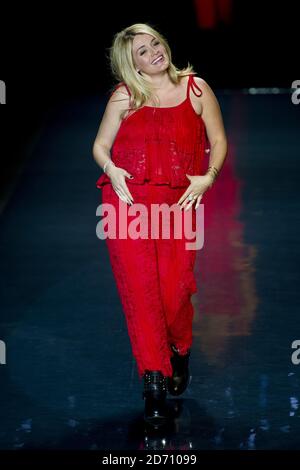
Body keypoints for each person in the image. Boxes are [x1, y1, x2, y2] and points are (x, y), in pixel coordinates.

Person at [93, 23, 227, 427]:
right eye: (141, 51)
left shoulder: (196, 89)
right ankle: (153, 384)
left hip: (177, 206)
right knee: (140, 293)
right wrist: (111, 169)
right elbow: (100, 145)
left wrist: (209, 176)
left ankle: (179, 349)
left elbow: (217, 140)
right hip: (126, 204)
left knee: (174, 292)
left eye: (154, 43)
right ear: (130, 65)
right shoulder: (125, 96)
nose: (153, 52)